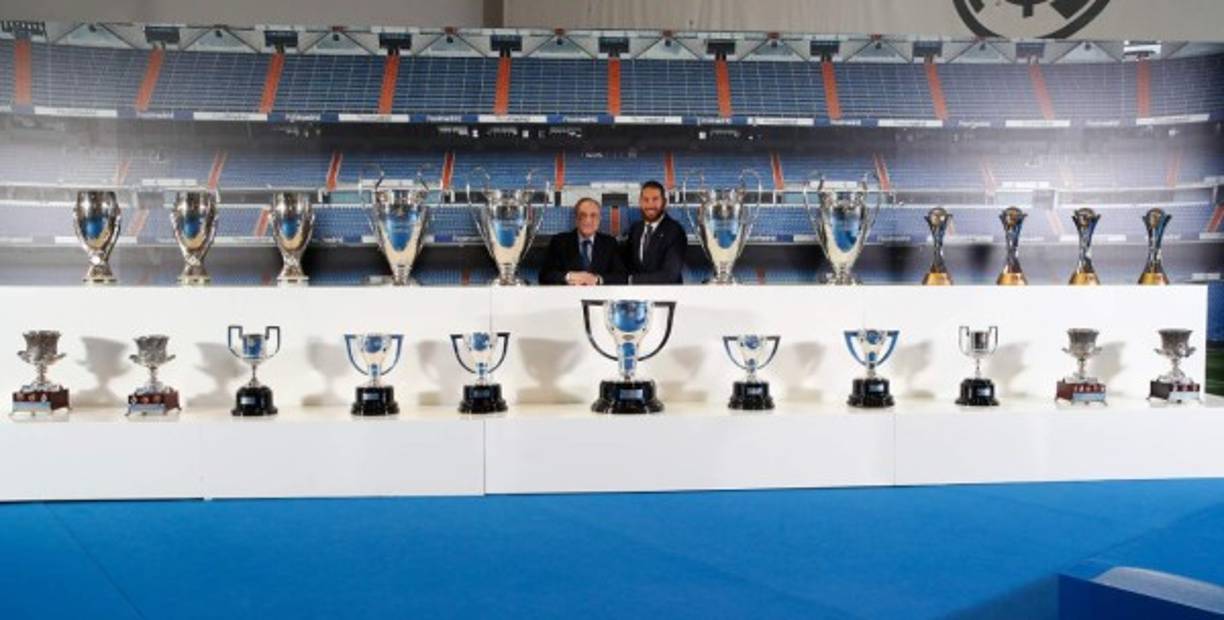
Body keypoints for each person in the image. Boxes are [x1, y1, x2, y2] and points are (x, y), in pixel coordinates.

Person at [538, 197, 627, 285]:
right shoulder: (559, 242)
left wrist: (597, 279)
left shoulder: (609, 243)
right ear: (576, 219)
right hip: (568, 296)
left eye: (593, 215)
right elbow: (545, 275)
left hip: (601, 296)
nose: (588, 220)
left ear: (599, 219)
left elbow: (621, 276)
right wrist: (569, 276)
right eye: (583, 215)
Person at [623, 180, 685, 284]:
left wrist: (631, 280)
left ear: (664, 202)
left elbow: (670, 275)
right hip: (638, 296)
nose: (650, 205)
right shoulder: (635, 229)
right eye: (646, 200)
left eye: (655, 199)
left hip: (666, 297)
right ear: (640, 202)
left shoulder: (675, 230)